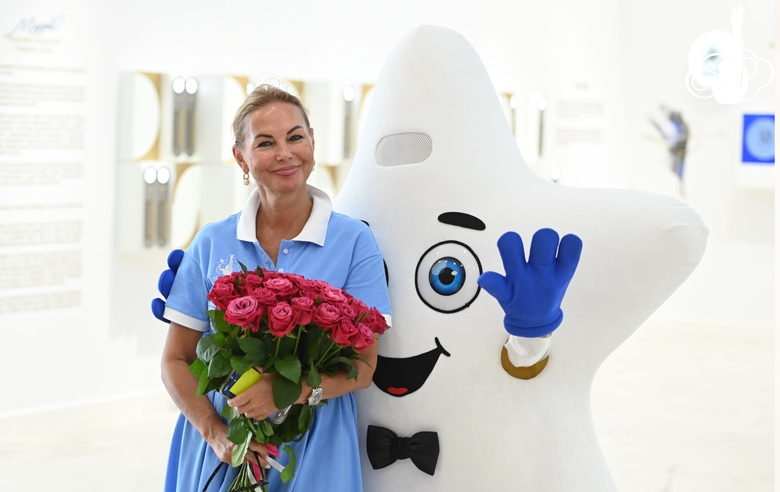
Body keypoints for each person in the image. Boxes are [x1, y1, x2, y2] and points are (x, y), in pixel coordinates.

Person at [160, 84, 391, 492]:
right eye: (266, 143)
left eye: (295, 137)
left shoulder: (354, 242)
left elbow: (364, 367)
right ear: (241, 157)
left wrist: (293, 392)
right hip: (226, 444)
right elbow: (175, 360)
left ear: (312, 143)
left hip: (317, 443)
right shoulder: (211, 242)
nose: (285, 153)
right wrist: (216, 434)